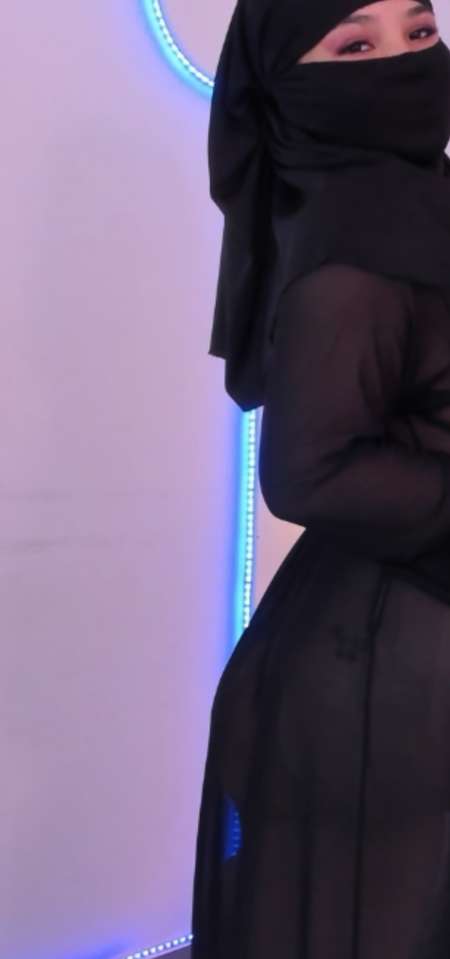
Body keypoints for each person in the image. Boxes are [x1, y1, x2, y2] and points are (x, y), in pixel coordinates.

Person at [191, 1, 450, 956]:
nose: (403, 62)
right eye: (355, 45)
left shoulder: (415, 202)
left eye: (419, 32)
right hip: (391, 677)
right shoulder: (354, 240)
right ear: (291, 89)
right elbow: (309, 471)